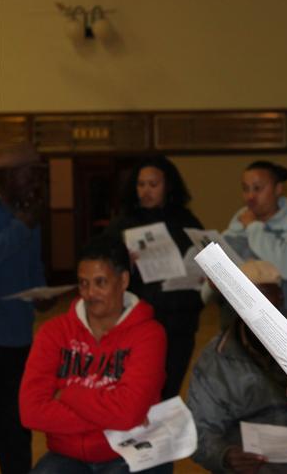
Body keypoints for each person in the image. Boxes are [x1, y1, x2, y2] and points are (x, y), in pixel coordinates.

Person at [19, 235, 167, 473]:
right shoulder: (53, 332)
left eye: (100, 282)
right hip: (67, 455)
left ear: (123, 280)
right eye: (83, 283)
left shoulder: (149, 334)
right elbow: (30, 413)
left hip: (130, 451)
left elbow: (127, 413)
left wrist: (67, 395)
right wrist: (114, 416)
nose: (90, 293)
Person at [187, 260, 287, 474]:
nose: (259, 309)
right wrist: (225, 455)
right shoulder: (215, 359)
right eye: (249, 300)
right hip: (248, 457)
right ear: (236, 306)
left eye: (265, 297)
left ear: (280, 297)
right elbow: (198, 428)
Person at [104, 155, 203, 400]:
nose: (146, 191)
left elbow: (200, 258)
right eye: (141, 184)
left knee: (170, 387)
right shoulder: (123, 225)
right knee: (141, 388)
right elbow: (103, 268)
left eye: (153, 184)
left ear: (168, 186)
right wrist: (125, 264)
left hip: (181, 318)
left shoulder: (186, 221)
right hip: (140, 318)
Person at [0, 143, 46, 474]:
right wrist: (21, 226)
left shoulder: (28, 215)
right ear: (6, 177)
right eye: (29, 175)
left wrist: (43, 294)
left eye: (38, 176)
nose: (35, 183)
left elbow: (33, 268)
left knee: (16, 423)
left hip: (19, 337)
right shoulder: (21, 220)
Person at [223, 161, 287, 319]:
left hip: (286, 321)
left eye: (258, 188)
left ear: (278, 189)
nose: (250, 196)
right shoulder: (238, 223)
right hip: (238, 321)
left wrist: (253, 227)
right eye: (245, 189)